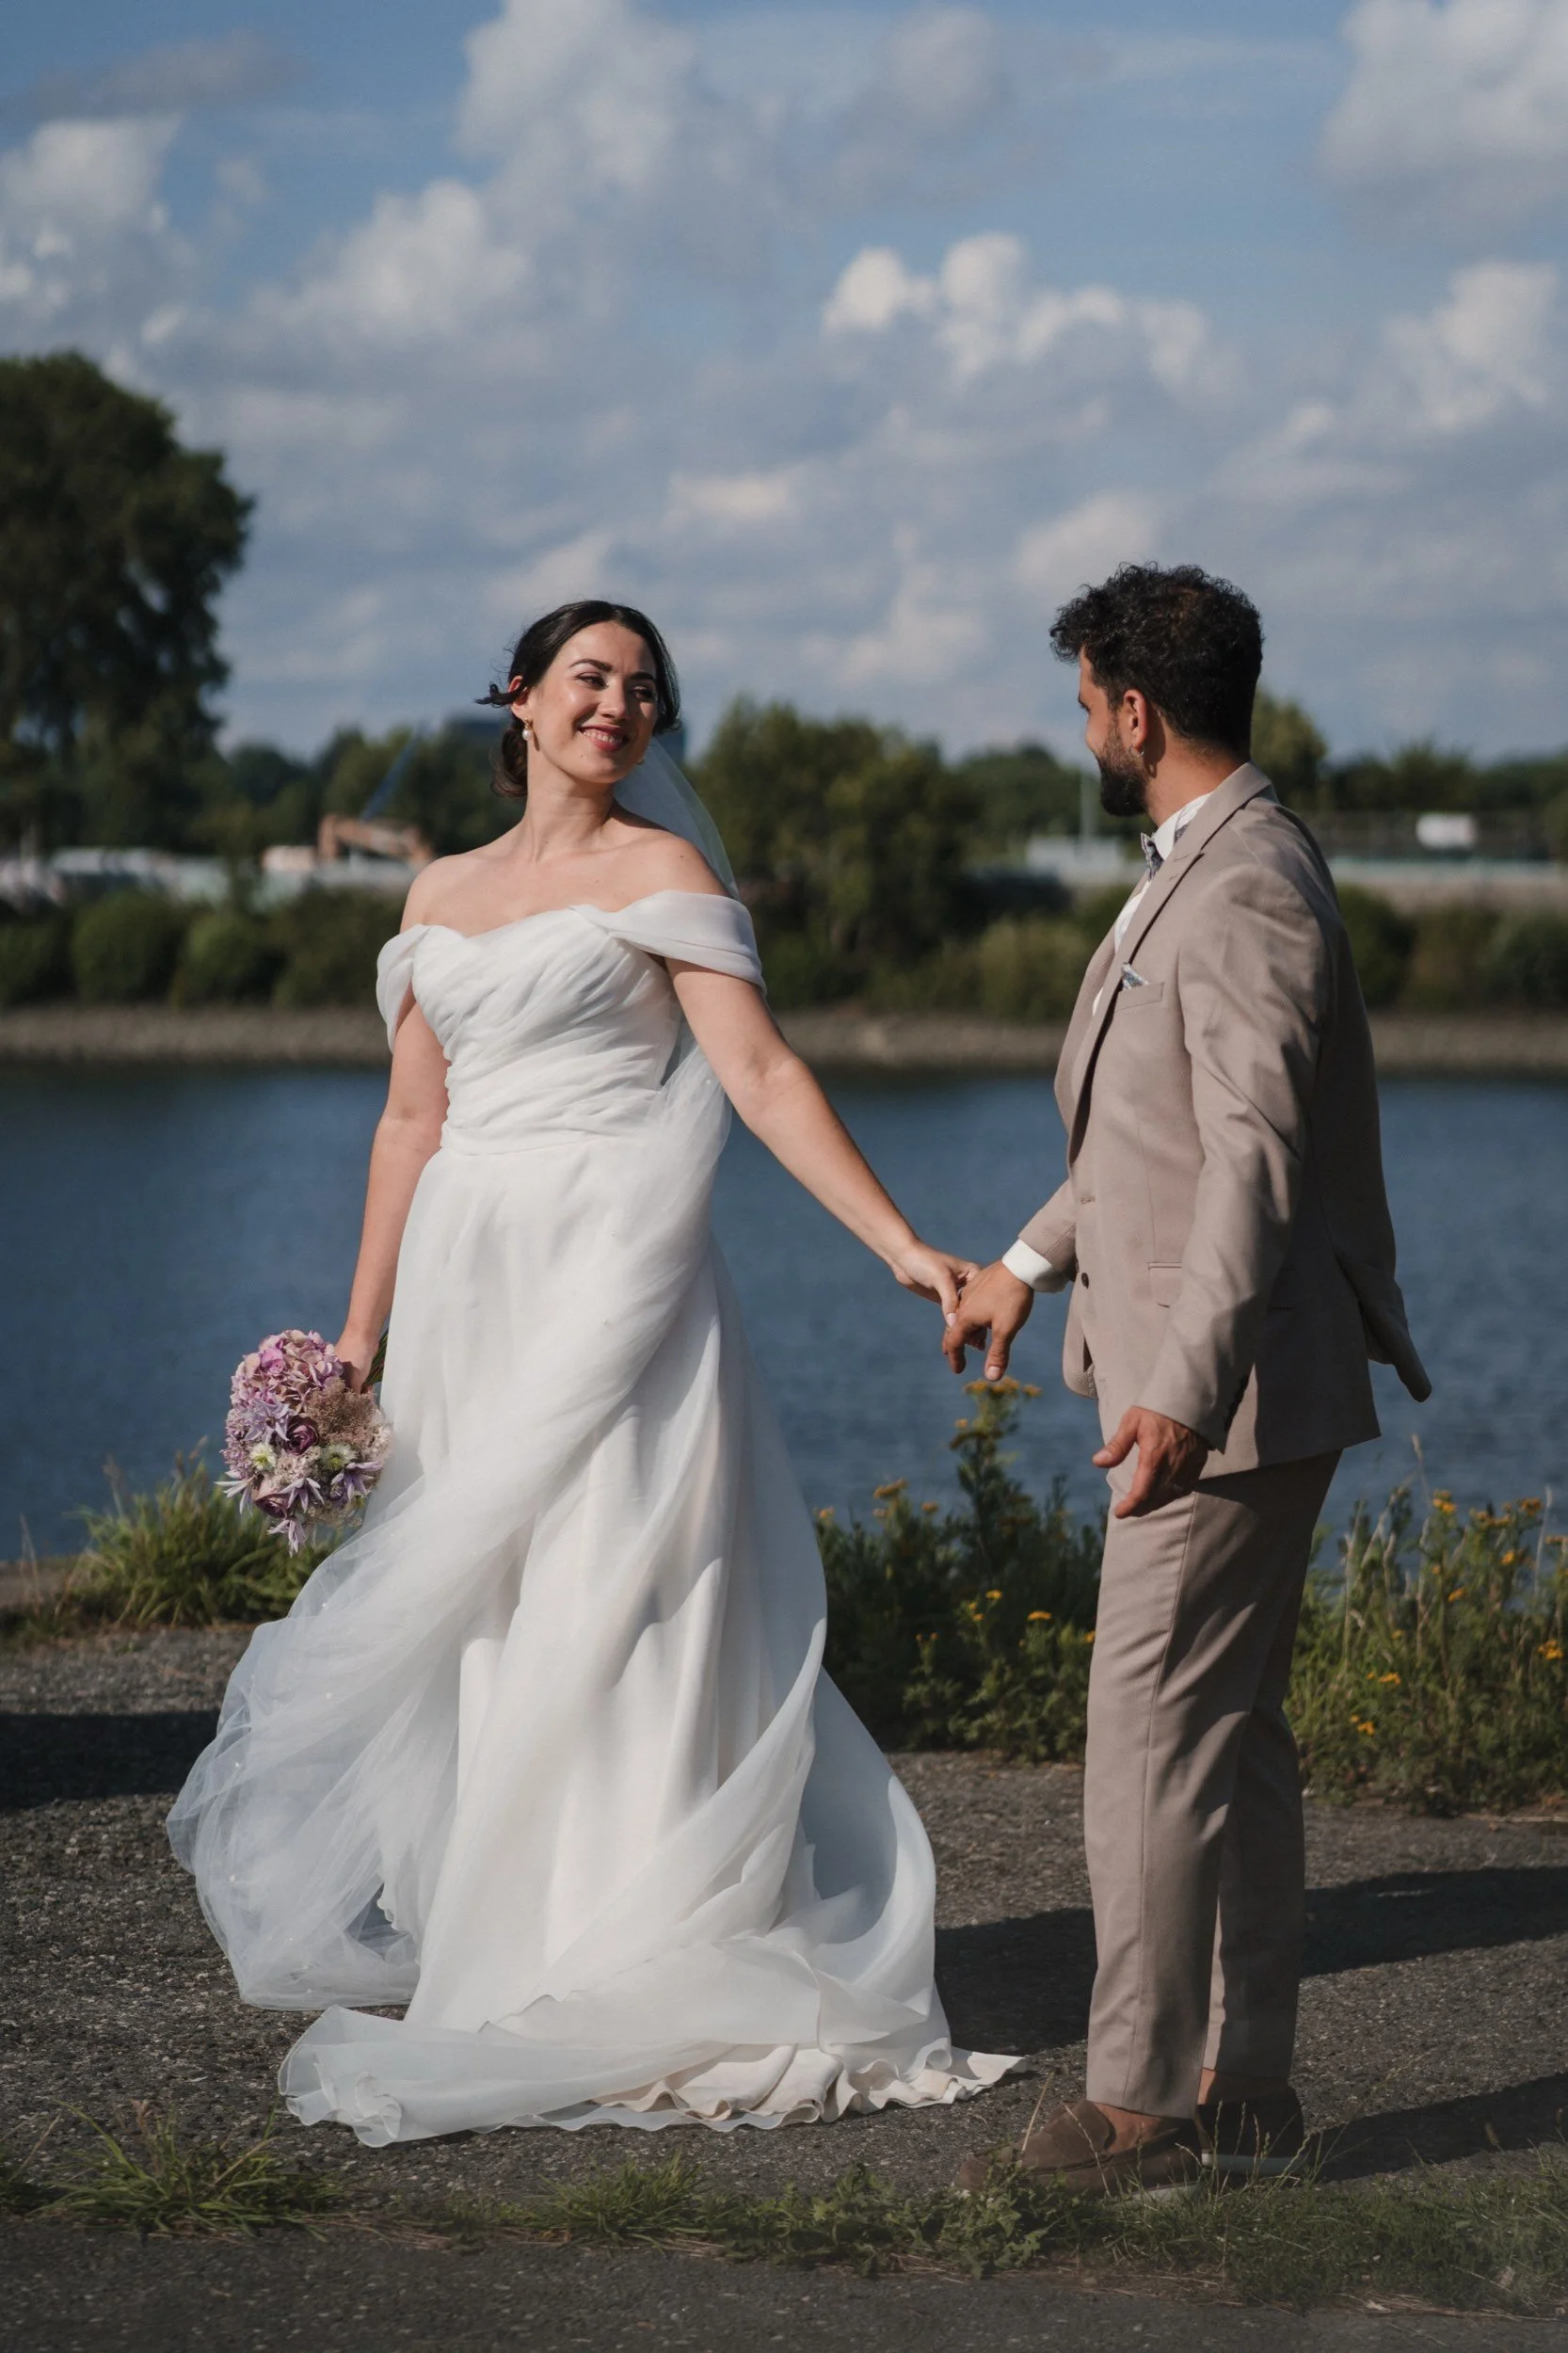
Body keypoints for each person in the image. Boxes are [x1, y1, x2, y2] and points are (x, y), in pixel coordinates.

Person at [170, 599, 1013, 2144]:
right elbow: (411, 1124)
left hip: (618, 1282)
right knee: (494, 1610)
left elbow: (757, 1072)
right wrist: (359, 1339)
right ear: (519, 698)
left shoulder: (663, 873)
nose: (616, 705)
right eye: (588, 678)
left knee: (624, 1593)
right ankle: (516, 1942)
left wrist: (899, 1243)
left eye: (641, 688)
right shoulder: (436, 889)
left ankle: (639, 1942)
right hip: (466, 1293)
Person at [944, 564, 1429, 2196]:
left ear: (1133, 713)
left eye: (1085, 705)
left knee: (1146, 1735)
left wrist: (1181, 1387)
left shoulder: (1242, 887)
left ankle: (1140, 2107)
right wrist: (1021, 1266)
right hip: (1215, 1380)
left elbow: (1250, 1160)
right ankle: (1249, 2087)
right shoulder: (1206, 865)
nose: (1082, 731)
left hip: (1220, 1399)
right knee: (1232, 1737)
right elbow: (1146, 1135)